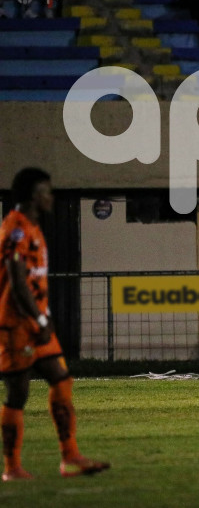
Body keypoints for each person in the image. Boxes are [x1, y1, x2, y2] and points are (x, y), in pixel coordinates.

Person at [0, 168, 110, 481]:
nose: (52, 196)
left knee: (61, 379)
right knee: (18, 393)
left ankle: (71, 457)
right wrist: (39, 317)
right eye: (47, 191)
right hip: (16, 325)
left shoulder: (33, 227)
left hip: (36, 323)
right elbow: (18, 281)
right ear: (34, 195)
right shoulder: (15, 229)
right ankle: (11, 468)